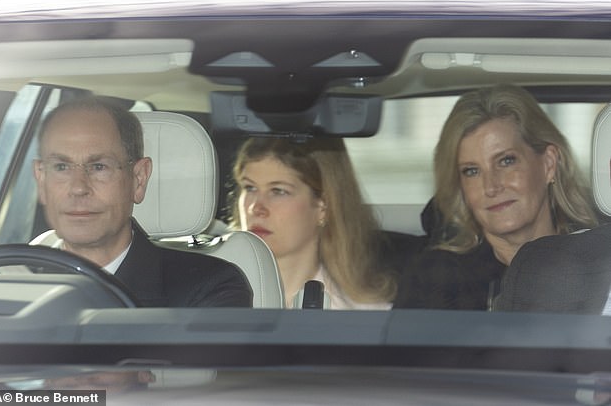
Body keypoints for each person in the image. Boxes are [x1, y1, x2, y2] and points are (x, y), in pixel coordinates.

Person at [394, 84, 599, 310]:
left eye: (506, 161)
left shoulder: (600, 264)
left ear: (548, 164)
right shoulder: (434, 279)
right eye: (472, 171)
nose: (491, 187)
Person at [33, 97, 252, 307]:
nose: (78, 188)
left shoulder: (208, 288)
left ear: (138, 179)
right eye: (61, 167)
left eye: (99, 167)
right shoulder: (9, 278)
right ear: (41, 180)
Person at [229, 136, 397, 309]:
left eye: (278, 191)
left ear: (323, 206)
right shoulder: (208, 299)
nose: (256, 208)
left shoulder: (366, 319)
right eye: (250, 188)